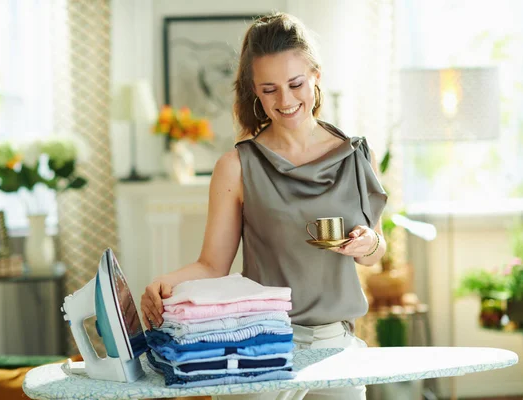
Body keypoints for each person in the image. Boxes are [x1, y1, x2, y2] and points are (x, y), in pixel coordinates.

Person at [141, 12, 387, 400]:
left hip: (335, 346)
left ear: (316, 77)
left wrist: (369, 242)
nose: (286, 101)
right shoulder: (237, 167)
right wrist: (165, 283)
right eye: (269, 89)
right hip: (257, 343)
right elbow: (212, 265)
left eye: (295, 84)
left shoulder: (357, 156)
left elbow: (375, 253)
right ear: (254, 91)